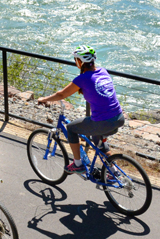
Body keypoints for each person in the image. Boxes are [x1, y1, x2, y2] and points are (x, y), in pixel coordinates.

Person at [38, 45, 125, 173]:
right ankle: (113, 171)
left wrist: (44, 99)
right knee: (97, 137)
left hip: (103, 121)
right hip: (118, 117)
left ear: (80, 62)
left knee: (71, 128)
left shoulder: (83, 79)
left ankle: (77, 164)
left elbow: (62, 94)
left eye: (76, 60)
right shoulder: (103, 71)